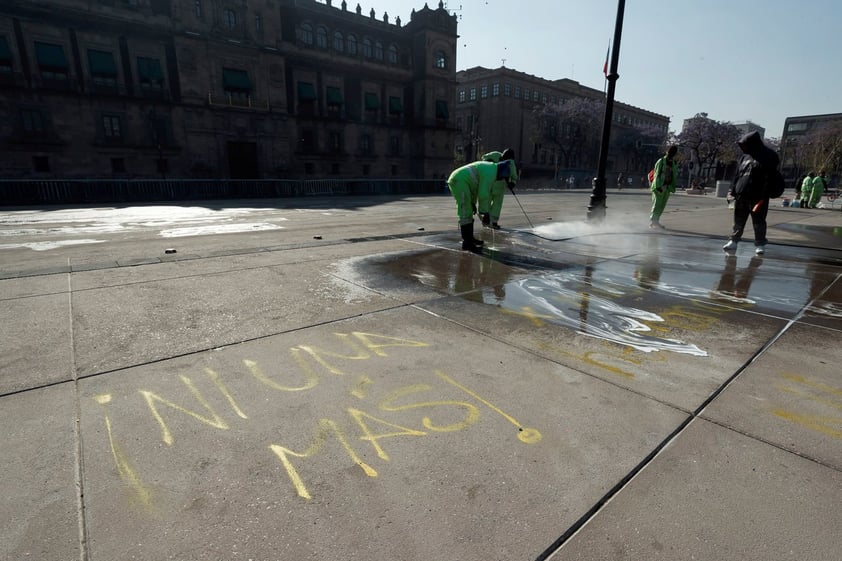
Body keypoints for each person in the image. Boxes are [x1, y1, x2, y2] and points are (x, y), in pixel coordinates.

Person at [722, 131, 781, 255]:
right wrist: (731, 191)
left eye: (745, 145)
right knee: (738, 220)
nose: (743, 147)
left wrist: (769, 191)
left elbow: (773, 176)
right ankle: (734, 240)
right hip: (741, 194)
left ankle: (760, 244)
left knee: (758, 221)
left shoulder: (770, 155)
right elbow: (738, 175)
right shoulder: (744, 157)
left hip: (759, 196)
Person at [446, 159, 518, 252]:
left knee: (468, 209)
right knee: (465, 210)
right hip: (458, 181)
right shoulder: (491, 173)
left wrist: (473, 202)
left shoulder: (491, 168)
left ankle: (470, 239)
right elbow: (483, 193)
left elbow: (475, 188)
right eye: (502, 178)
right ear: (501, 173)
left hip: (463, 181)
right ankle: (467, 242)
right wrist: (485, 213)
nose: (500, 180)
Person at [479, 148, 517, 229]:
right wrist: (488, 161)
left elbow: (514, 176)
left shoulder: (511, 163)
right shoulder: (495, 155)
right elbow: (483, 157)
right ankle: (485, 220)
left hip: (500, 186)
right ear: (503, 154)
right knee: (486, 202)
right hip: (489, 184)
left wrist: (512, 183)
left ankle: (494, 222)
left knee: (497, 205)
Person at [649, 145, 679, 229]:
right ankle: (653, 222)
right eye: (671, 152)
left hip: (667, 187)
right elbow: (656, 174)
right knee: (657, 204)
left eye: (674, 153)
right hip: (659, 186)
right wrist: (658, 186)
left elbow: (674, 174)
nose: (672, 154)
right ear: (667, 152)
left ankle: (656, 221)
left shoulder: (673, 162)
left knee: (662, 205)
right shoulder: (661, 161)